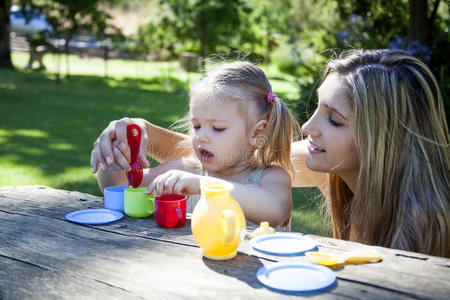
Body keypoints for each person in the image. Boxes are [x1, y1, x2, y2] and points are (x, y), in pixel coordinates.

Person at [91, 50, 450, 257]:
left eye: (335, 120)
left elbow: (222, 170)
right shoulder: (326, 160)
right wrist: (135, 136)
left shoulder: (422, 219)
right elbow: (217, 159)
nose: (307, 128)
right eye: (317, 109)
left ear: (380, 140)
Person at [96, 61, 300, 228]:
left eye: (218, 128)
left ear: (257, 132)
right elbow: (119, 188)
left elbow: (276, 211)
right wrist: (113, 158)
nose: (201, 137)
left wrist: (203, 185)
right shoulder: (188, 170)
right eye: (196, 126)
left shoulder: (270, 177)